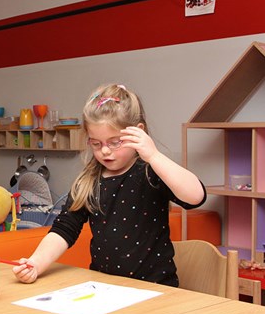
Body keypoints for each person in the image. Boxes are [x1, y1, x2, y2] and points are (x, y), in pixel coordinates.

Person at [12, 84, 206, 287]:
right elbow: (64, 229)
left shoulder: (151, 171)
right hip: (105, 288)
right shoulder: (89, 181)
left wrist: (154, 156)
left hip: (155, 289)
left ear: (138, 133)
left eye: (115, 142)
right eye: (96, 144)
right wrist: (35, 262)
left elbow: (195, 197)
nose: (105, 151)